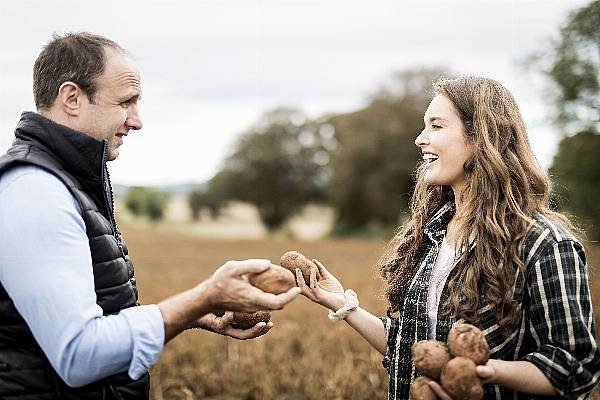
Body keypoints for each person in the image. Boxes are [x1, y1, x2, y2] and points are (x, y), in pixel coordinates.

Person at [0, 32, 300, 399]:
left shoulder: (67, 181)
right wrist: (203, 297)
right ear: (72, 97)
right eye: (126, 102)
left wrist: (194, 315)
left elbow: (96, 319)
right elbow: (79, 354)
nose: (137, 121)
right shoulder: (35, 191)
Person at [295, 76, 600, 399]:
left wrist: (484, 371)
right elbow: (410, 348)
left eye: (436, 126)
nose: (419, 139)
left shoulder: (544, 244)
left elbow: (575, 366)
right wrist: (344, 305)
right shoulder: (431, 233)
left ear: (481, 137)